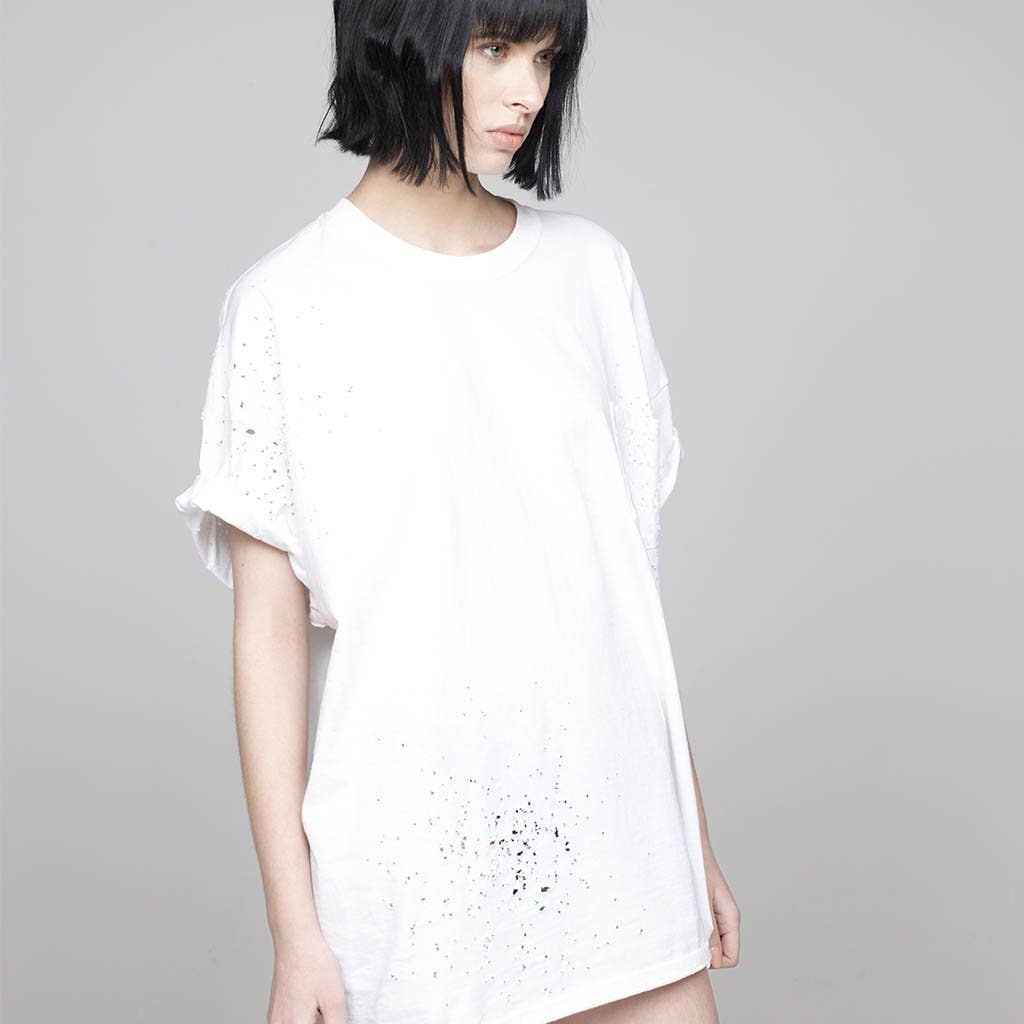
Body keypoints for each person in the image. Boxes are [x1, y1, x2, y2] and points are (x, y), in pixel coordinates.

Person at [173, 1, 740, 1021]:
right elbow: (268, 638)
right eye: (494, 49)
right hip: (413, 884)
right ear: (398, 39)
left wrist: (689, 837)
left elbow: (623, 599)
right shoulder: (286, 304)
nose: (529, 91)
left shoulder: (591, 274)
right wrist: (294, 931)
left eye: (547, 57)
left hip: (623, 858)